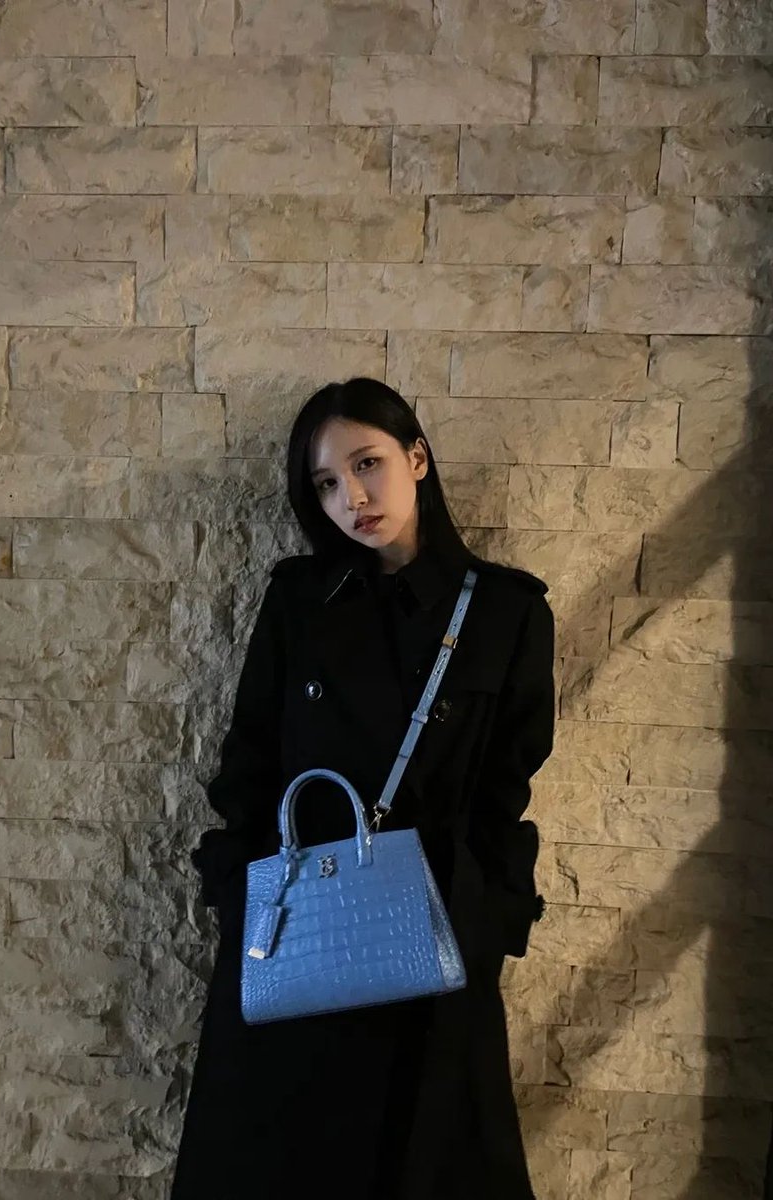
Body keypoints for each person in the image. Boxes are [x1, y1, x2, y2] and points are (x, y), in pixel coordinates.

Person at [171, 378, 555, 1199]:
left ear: (417, 457)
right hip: (304, 933)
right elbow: (250, 760)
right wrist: (239, 897)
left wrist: (487, 918)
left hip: (433, 941)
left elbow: (506, 789)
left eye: (367, 464)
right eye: (326, 483)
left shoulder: (506, 612)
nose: (352, 497)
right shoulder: (301, 600)